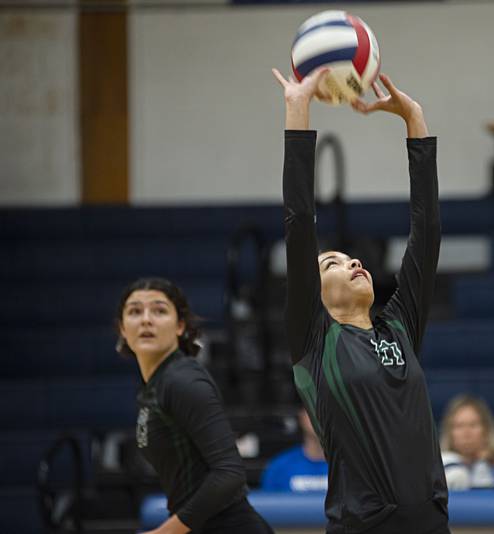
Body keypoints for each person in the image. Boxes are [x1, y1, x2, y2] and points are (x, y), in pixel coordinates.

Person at [273, 66, 450, 534]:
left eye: (353, 259)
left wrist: (414, 119)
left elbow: (427, 233)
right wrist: (298, 107)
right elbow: (299, 221)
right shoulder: (314, 339)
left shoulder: (400, 327)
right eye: (332, 263)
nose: (352, 263)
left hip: (430, 523)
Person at [116, 277, 273, 534]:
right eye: (134, 311)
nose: (146, 319)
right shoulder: (156, 384)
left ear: (180, 326)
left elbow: (229, 474)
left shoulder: (182, 380)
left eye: (159, 310)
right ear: (122, 329)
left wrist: (164, 533)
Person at [438, 395, 494, 490]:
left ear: (486, 430)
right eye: (459, 426)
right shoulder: (437, 467)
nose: (466, 432)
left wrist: (483, 464)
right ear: (449, 432)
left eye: (473, 425)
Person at [260, 407, 328, 492]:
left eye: (324, 411)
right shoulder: (279, 467)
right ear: (301, 416)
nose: (319, 417)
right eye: (312, 410)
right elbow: (266, 503)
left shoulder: (346, 467)